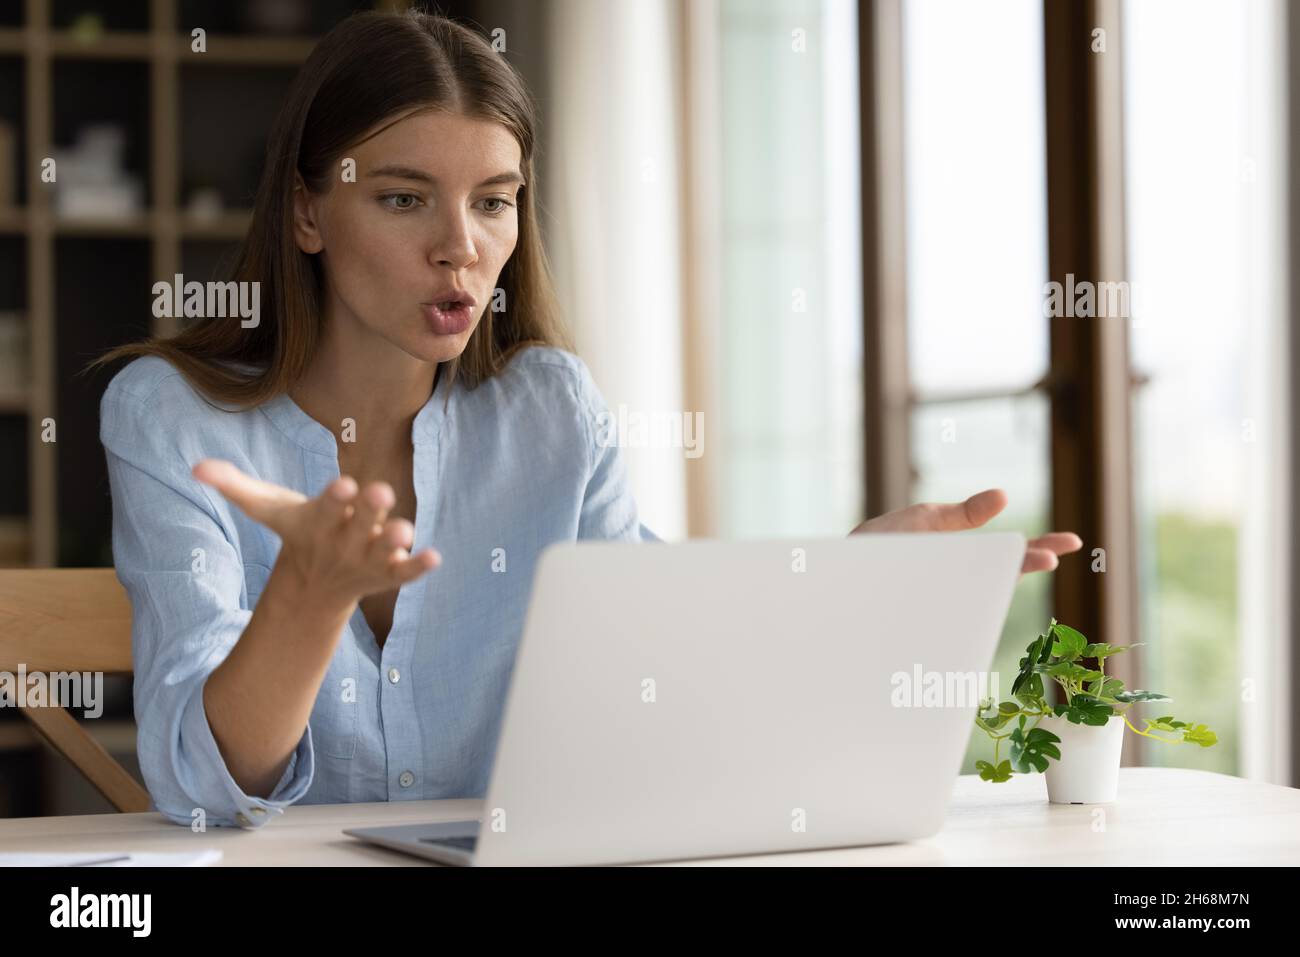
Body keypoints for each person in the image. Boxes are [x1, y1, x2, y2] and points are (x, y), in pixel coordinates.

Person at [89, 9, 1080, 830]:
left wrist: (850, 578)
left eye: (493, 202)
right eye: (402, 199)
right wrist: (307, 600)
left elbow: (654, 659)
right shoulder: (170, 417)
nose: (460, 249)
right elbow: (200, 785)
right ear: (308, 214)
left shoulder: (550, 409)